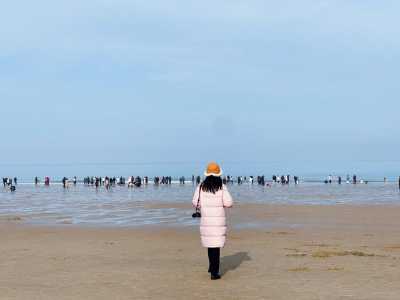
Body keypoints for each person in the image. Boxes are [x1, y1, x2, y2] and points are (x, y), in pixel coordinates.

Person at [192, 162, 233, 281]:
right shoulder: (222, 186)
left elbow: (195, 202)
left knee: (210, 245)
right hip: (218, 220)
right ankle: (214, 273)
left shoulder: (201, 186)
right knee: (216, 246)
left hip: (206, 219)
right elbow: (229, 203)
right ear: (218, 174)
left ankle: (211, 267)